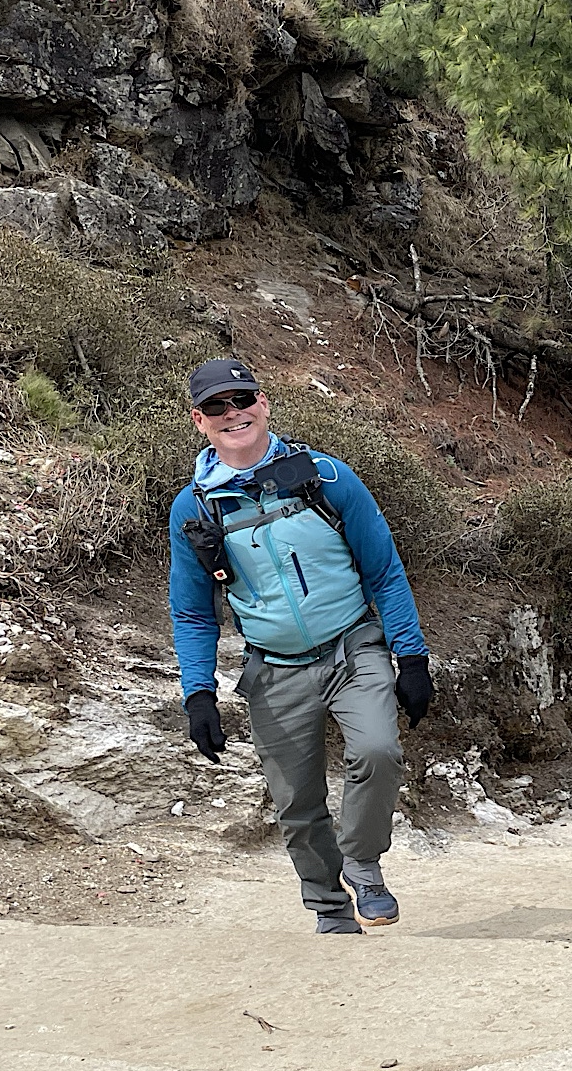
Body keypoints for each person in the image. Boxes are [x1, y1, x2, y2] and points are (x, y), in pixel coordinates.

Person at [167, 356, 435, 934]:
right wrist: (198, 695)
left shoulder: (328, 477)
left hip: (352, 648)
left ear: (263, 404)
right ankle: (331, 912)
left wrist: (411, 658)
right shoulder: (193, 509)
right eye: (217, 407)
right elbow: (192, 611)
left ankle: (362, 862)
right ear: (199, 421)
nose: (232, 414)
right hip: (273, 667)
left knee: (379, 752)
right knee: (295, 806)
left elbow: (384, 571)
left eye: (242, 400)